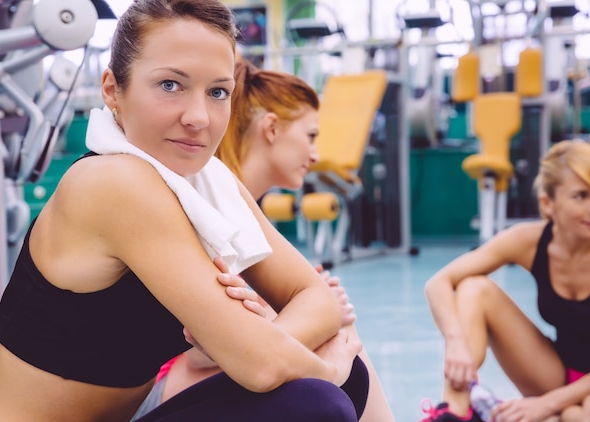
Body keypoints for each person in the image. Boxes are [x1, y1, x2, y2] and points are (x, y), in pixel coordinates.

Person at [0, 1, 371, 421]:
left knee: (343, 382)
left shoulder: (207, 180)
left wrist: (260, 340)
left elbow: (317, 300)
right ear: (112, 90)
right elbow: (263, 365)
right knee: (321, 396)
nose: (198, 117)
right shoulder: (112, 182)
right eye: (170, 85)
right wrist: (317, 366)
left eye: (217, 92)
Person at [132, 60, 395, 422]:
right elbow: (197, 346)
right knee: (335, 341)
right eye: (311, 136)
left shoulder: (235, 207)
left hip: (210, 367)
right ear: (271, 128)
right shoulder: (205, 205)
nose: (316, 155)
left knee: (337, 332)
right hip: (166, 383)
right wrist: (287, 317)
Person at [420, 139, 590, 422]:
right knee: (474, 289)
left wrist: (547, 405)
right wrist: (455, 343)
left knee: (582, 414)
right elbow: (439, 283)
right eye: (581, 196)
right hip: (558, 372)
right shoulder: (529, 241)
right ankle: (454, 412)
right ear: (548, 203)